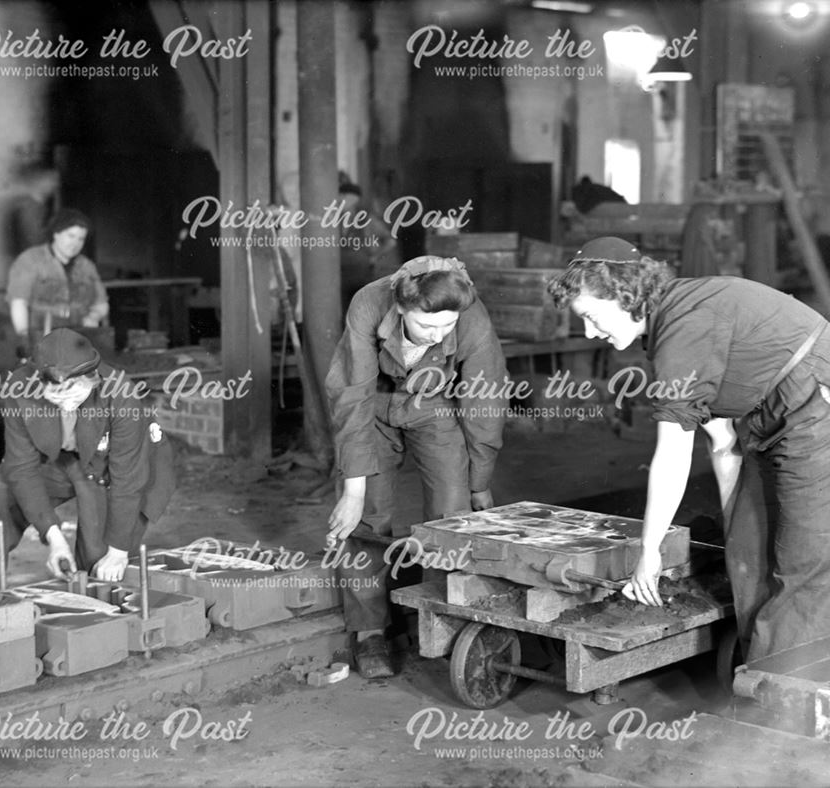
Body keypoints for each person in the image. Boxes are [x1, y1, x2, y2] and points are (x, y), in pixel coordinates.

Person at [547, 236, 830, 664]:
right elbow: (723, 441)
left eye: (590, 317)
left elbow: (674, 454)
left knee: (803, 560)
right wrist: (737, 517)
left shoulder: (682, 331)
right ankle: (758, 659)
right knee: (749, 546)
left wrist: (649, 552)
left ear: (623, 293)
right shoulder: (668, 321)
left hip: (816, 408)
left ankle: (782, 699)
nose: (589, 332)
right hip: (772, 416)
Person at [325, 256, 507, 678]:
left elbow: (485, 400)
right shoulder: (369, 303)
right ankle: (370, 631)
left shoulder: (469, 313)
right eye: (428, 326)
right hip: (373, 403)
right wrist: (353, 491)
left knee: (453, 514)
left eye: (447, 326)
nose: (439, 334)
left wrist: (478, 481)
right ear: (403, 308)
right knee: (367, 516)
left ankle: (445, 620)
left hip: (435, 406)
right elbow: (352, 398)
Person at [0, 328, 175, 588]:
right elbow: (21, 468)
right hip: (60, 459)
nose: (66, 403)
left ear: (93, 379)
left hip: (116, 469)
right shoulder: (19, 388)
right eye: (56, 394)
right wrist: (53, 536)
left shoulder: (121, 394)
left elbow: (128, 478)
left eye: (74, 393)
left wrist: (118, 552)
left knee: (99, 567)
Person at [6, 208, 109, 358]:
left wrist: (94, 316)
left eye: (81, 239)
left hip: (79, 338)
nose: (75, 243)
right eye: (71, 236)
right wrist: (24, 337)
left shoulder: (87, 266)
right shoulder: (30, 260)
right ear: (56, 234)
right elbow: (18, 302)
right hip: (41, 335)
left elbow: (101, 304)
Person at [338, 180, 398, 311]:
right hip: (340, 273)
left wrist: (375, 257)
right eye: (340, 196)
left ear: (354, 199)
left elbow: (391, 241)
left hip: (361, 273)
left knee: (361, 309)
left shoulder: (367, 220)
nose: (340, 200)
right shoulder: (334, 219)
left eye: (344, 196)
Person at [9, 164, 60, 255]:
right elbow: (34, 240)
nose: (55, 185)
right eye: (51, 179)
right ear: (40, 180)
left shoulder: (37, 206)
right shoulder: (29, 208)